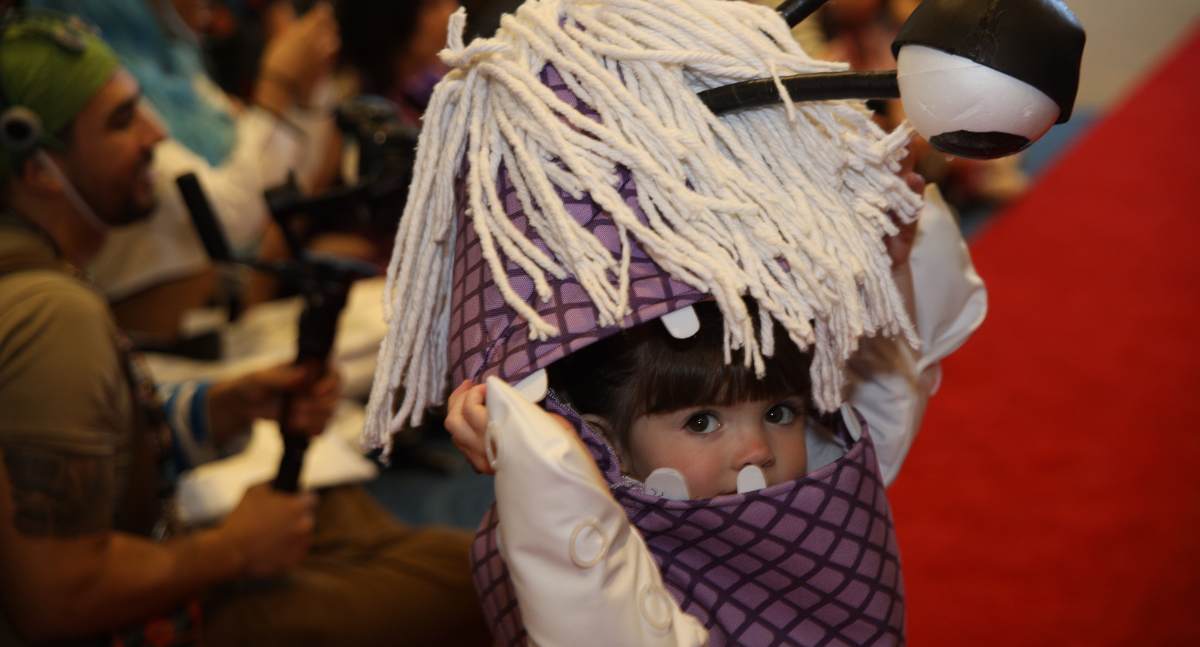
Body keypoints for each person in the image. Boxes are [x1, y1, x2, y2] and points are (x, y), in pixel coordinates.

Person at [360, 1, 985, 644]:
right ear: (600, 446)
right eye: (702, 422)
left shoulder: (813, 485)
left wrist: (890, 261)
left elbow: (879, 395)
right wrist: (531, 451)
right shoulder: (623, 565)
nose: (757, 450)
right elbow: (592, 594)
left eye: (780, 412)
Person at [0, 12, 490, 646]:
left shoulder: (46, 276)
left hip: (163, 542)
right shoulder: (50, 316)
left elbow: (106, 444)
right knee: (475, 580)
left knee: (341, 506)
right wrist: (231, 551)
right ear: (41, 170)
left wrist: (224, 407)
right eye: (122, 122)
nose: (154, 133)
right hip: (146, 622)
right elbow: (56, 601)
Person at [28, 0, 343, 339]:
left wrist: (305, 87)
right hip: (173, 342)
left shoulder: (178, 65)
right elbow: (236, 219)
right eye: (124, 120)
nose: (155, 132)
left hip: (213, 331)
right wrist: (277, 85)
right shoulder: (90, 80)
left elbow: (291, 177)